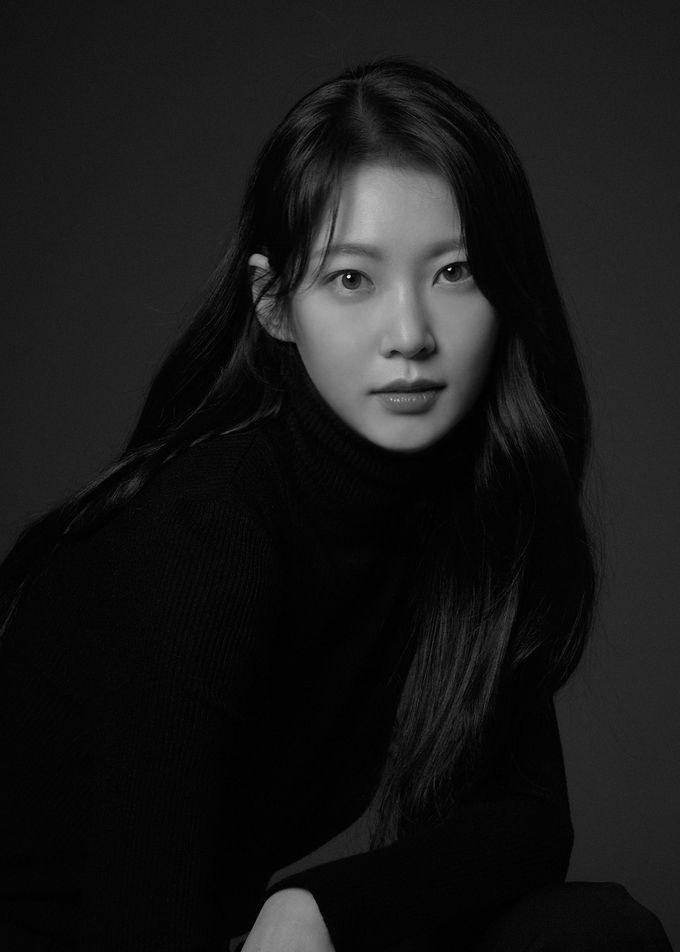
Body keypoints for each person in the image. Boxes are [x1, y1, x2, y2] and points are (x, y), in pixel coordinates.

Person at [0, 57, 672, 952]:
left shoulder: (456, 512)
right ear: (275, 306)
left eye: (456, 271)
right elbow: (139, 919)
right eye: (353, 279)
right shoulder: (209, 534)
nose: (410, 336)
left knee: (590, 934)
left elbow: (528, 820)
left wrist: (319, 906)